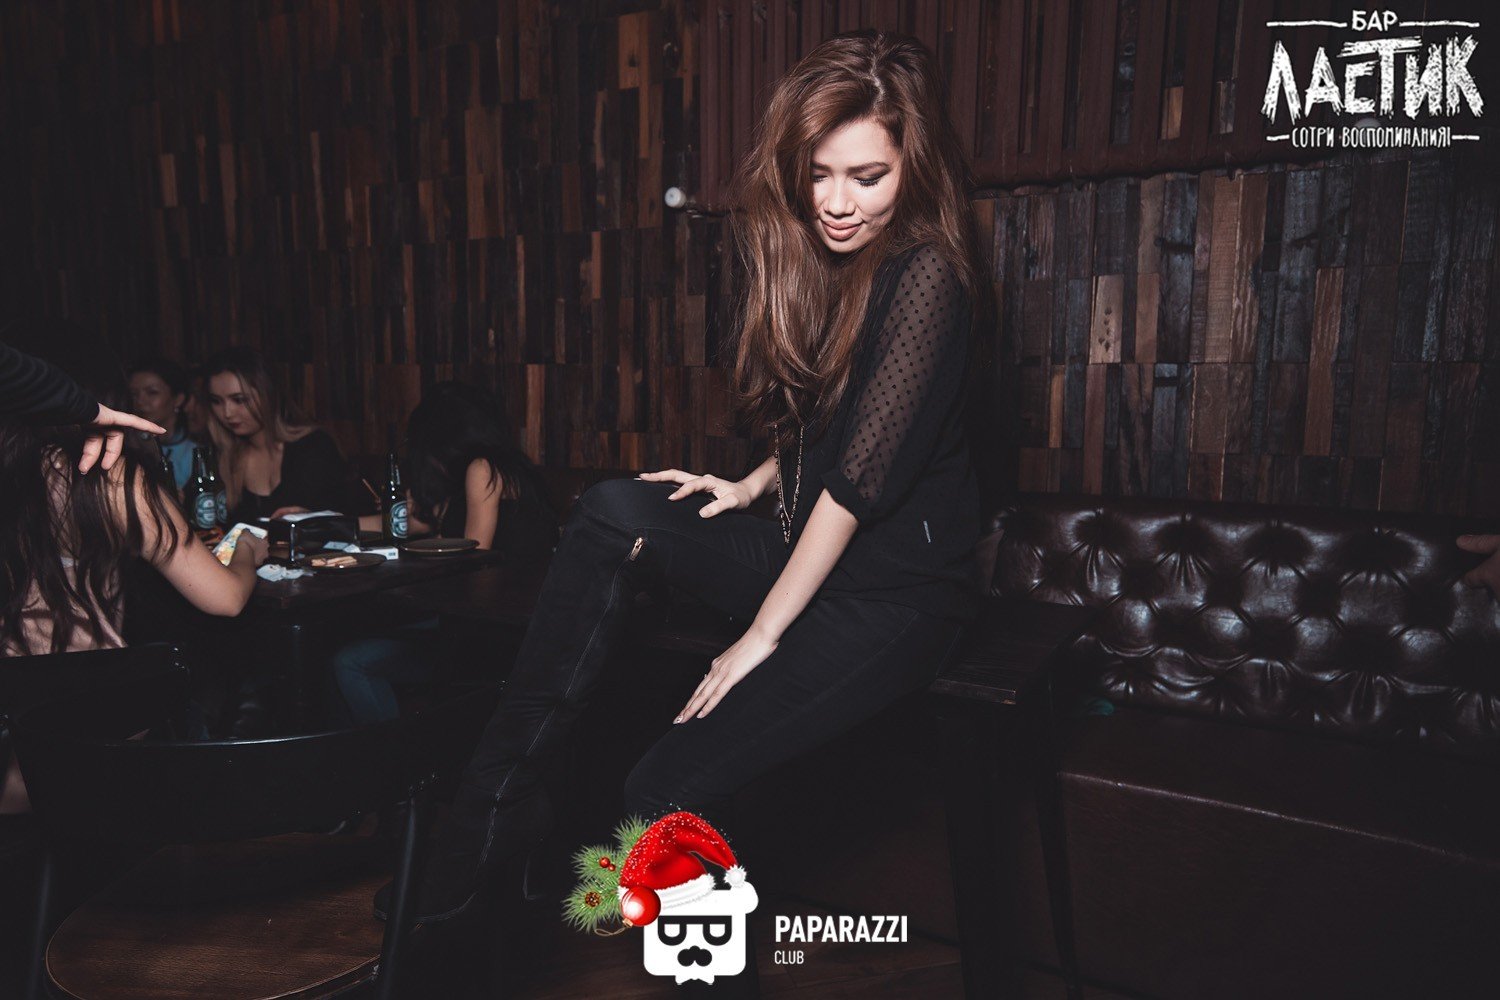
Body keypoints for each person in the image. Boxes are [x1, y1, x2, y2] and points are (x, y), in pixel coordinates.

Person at [381, 26, 987, 945]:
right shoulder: (836, 265)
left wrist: (759, 638)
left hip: (893, 594)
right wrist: (750, 485)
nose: (837, 202)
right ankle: (494, 813)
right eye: (820, 174)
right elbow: (846, 422)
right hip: (812, 548)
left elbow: (859, 484)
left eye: (868, 177)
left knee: (661, 789)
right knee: (610, 513)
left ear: (916, 168)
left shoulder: (929, 272)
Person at [1, 330, 268, 813]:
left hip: (15, 688)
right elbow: (224, 599)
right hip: (86, 693)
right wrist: (247, 549)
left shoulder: (12, 464)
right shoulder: (109, 474)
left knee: (24, 813)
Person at [333, 382, 558, 726]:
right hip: (485, 628)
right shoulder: (496, 472)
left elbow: (473, 558)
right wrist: (323, 523)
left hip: (490, 636)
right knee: (353, 640)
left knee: (351, 659)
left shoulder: (483, 469)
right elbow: (412, 526)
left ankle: (391, 754)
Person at [202, 346, 346, 524]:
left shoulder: (313, 447)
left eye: (239, 400)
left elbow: (346, 517)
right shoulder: (219, 458)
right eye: (216, 401)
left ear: (268, 395)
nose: (227, 412)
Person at [128, 356, 197, 489]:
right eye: (134, 394)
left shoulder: (194, 452)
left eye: (152, 393)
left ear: (178, 399)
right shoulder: (126, 443)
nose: (140, 401)